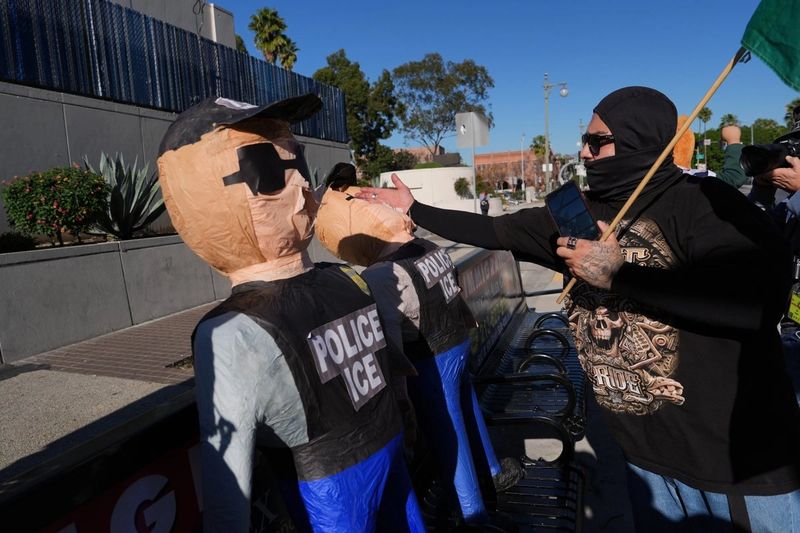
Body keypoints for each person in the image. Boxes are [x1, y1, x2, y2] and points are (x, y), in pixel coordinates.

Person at [359, 86, 800, 531]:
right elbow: (496, 229)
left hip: (734, 461)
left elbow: (754, 302)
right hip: (644, 458)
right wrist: (414, 208)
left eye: (597, 141)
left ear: (638, 140)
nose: (585, 152)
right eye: (584, 140)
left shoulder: (705, 204)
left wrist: (621, 275)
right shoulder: (576, 211)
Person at [157, 95, 425, 532]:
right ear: (197, 194)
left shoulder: (230, 330)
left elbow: (228, 489)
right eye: (264, 167)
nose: (301, 184)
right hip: (366, 458)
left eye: (297, 160)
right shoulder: (343, 281)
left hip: (335, 483)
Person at [313, 167, 522, 527]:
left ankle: (473, 514)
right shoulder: (428, 246)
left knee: (448, 431)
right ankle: (492, 467)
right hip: (457, 340)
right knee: (467, 408)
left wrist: (399, 397)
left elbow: (390, 346)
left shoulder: (380, 276)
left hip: (430, 359)